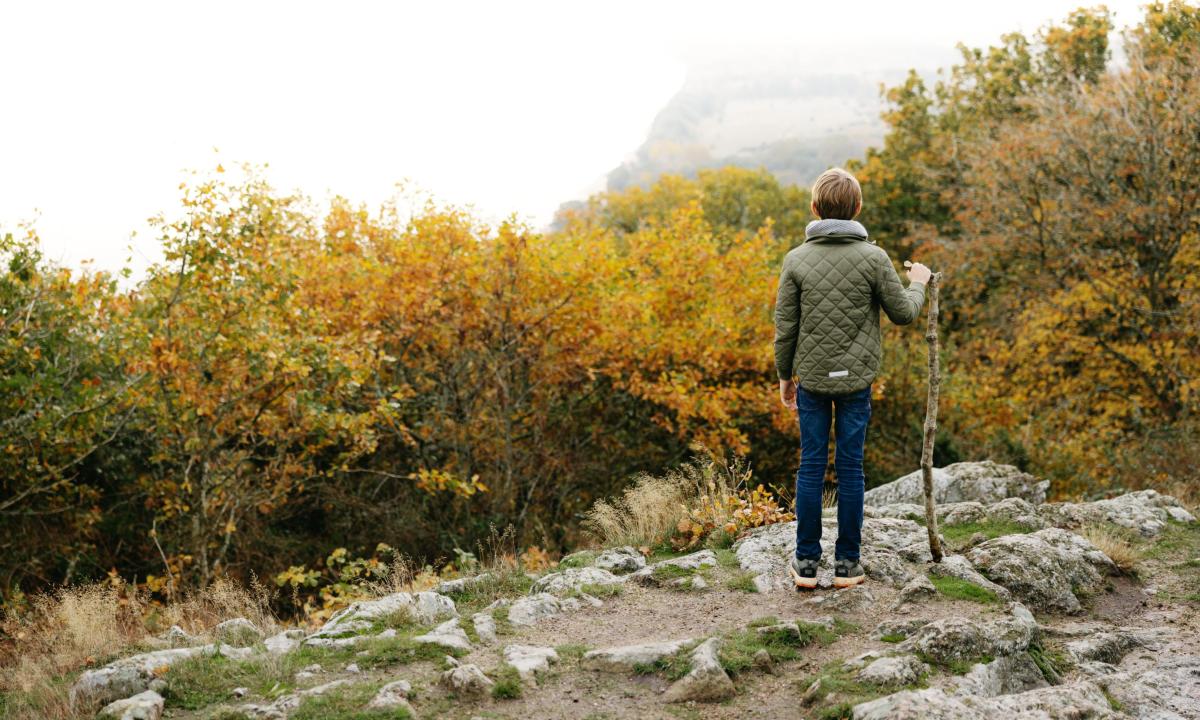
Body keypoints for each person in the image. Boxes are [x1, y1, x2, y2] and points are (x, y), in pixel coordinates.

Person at [773, 167, 931, 590]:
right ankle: (848, 565)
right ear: (857, 208)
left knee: (810, 466)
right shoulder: (874, 259)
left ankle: (805, 563)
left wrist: (785, 377)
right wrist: (919, 282)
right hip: (856, 381)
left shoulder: (795, 260)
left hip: (813, 381)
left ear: (815, 208)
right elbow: (904, 313)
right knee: (851, 469)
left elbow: (785, 329)